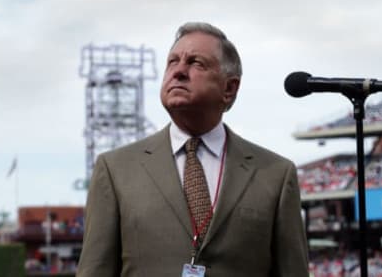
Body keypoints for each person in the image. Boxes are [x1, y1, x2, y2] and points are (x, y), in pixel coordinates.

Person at [76, 22, 309, 277]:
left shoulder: (275, 174)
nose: (178, 71)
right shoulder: (115, 170)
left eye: (196, 63)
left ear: (229, 88)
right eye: (172, 62)